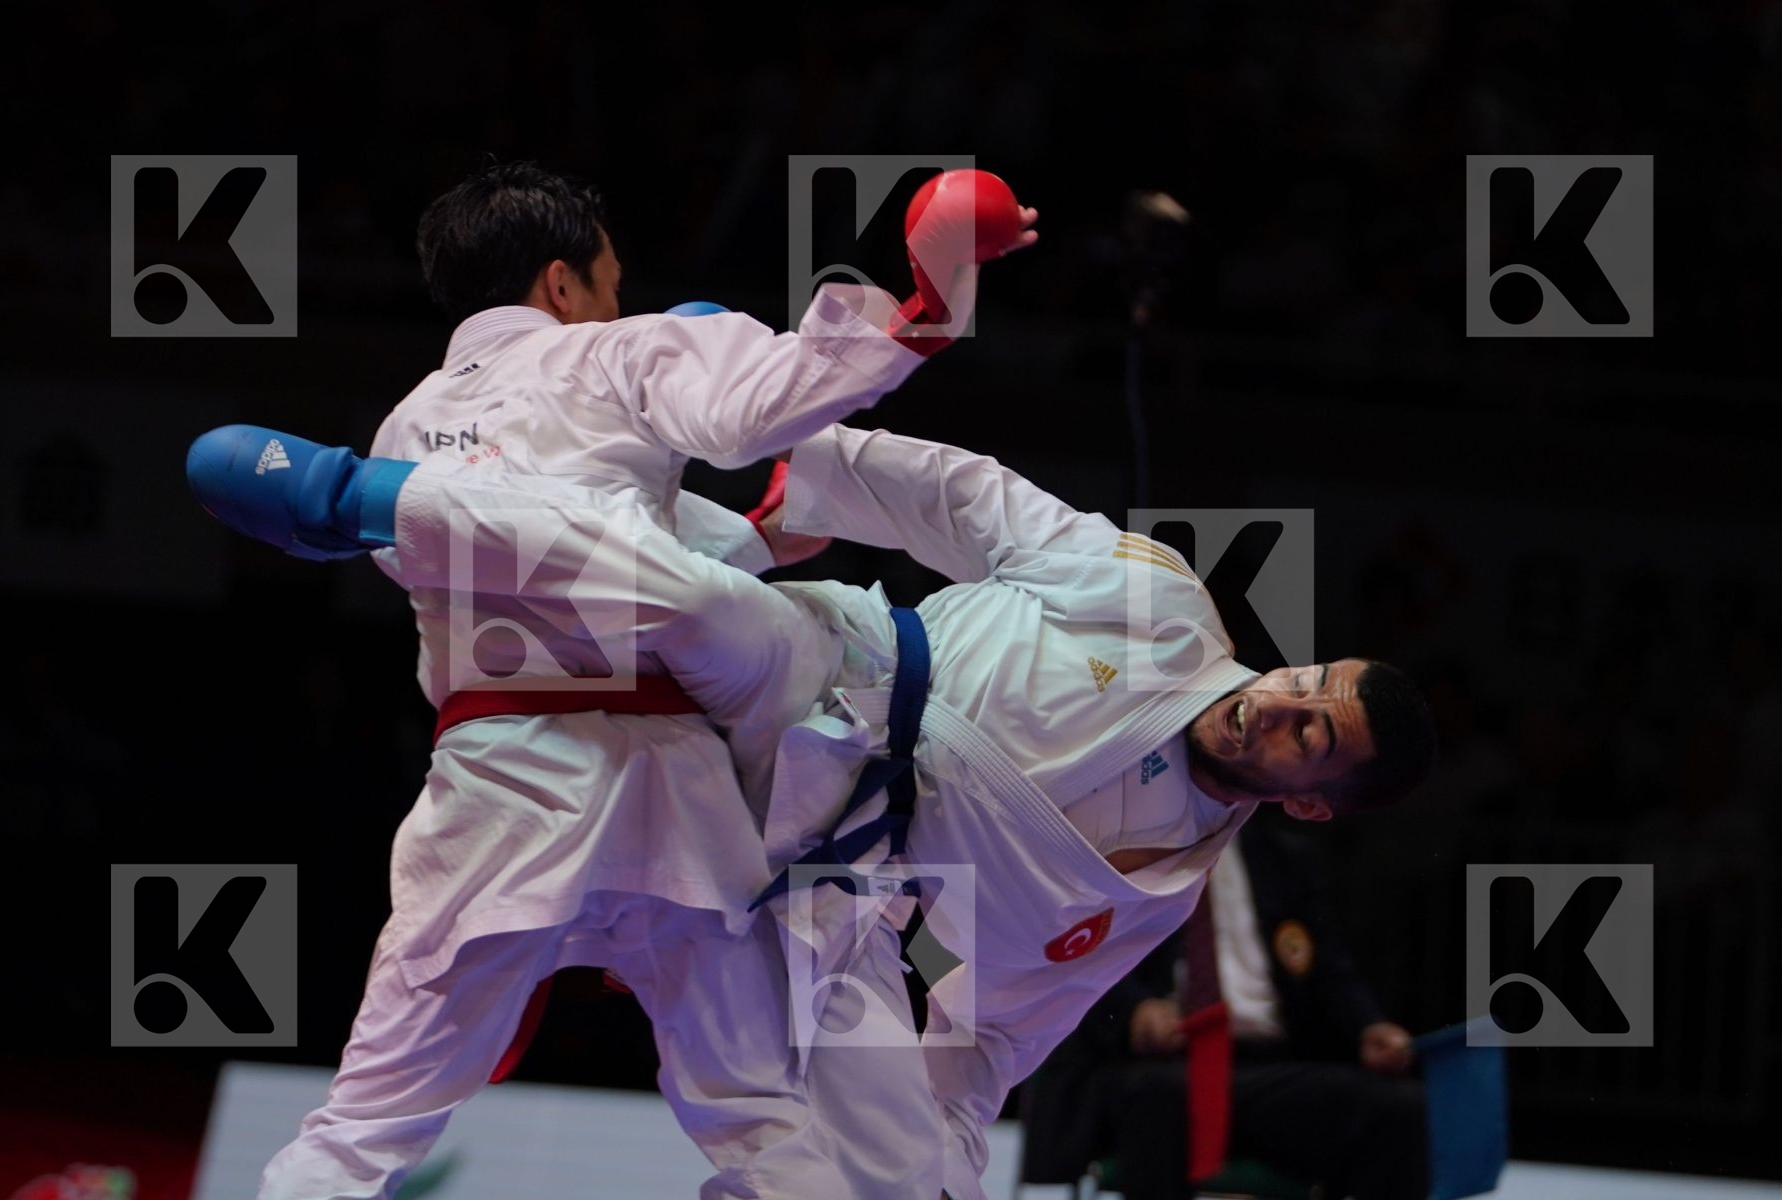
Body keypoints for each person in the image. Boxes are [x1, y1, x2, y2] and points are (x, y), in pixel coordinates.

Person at [188, 416, 1436, 1200]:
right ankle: (369, 503)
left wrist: (939, 1139)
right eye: (1304, 680)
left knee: (881, 1184)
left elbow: (996, 1030)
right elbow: (974, 504)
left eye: (1310, 732)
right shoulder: (1164, 610)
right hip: (838, 677)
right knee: (692, 593)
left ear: (1314, 805)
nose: (1279, 703)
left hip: (824, 876)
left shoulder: (1155, 888)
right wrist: (815, 482)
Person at [195, 158, 1037, 1200]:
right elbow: (761, 410)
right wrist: (922, 291)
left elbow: (576, 539)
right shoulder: (617, 353)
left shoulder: (402, 432)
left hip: (496, 790)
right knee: (761, 1124)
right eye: (607, 282)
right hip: (667, 790)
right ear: (561, 285)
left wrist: (752, 539)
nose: (615, 302)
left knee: (364, 1127)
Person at [1020, 807, 1429, 1199]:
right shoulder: (1118, 841)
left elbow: (1329, 971)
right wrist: (1133, 1011)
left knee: (1396, 1106)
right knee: (1162, 1095)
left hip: (1263, 1072)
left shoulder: (1282, 857)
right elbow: (1069, 953)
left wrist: (1368, 1027)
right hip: (1159, 1064)